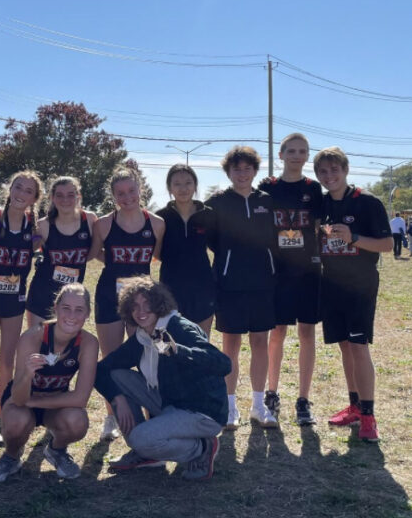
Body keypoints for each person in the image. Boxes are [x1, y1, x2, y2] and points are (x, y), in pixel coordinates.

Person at [94, 276, 230, 480]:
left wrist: (176, 350)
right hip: (171, 403)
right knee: (116, 375)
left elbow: (223, 364)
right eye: (135, 306)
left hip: (202, 410)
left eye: (147, 305)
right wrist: (118, 399)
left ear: (159, 305)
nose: (141, 312)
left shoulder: (179, 327)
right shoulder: (142, 336)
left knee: (140, 439)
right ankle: (147, 453)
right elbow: (102, 370)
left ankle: (202, 448)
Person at [0, 283, 99, 483]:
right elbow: (18, 397)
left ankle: (57, 450)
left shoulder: (88, 343)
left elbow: (80, 398)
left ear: (87, 313)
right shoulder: (33, 336)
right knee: (17, 421)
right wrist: (27, 374)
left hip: (51, 402)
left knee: (77, 421)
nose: (72, 315)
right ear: (56, 308)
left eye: (79, 310)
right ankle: (11, 456)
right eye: (66, 308)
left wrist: (34, 402)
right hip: (23, 398)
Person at [315, 146, 392, 442]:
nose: (329, 176)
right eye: (323, 171)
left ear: (346, 170)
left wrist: (354, 238)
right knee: (345, 346)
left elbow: (386, 245)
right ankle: (355, 406)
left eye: (334, 170)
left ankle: (370, 417)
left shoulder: (368, 203)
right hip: (331, 284)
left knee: (359, 346)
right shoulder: (321, 205)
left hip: (360, 284)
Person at [90, 166, 165, 441]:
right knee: (112, 360)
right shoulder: (104, 223)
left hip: (142, 301)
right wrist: (118, 264)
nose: (127, 197)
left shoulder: (156, 223)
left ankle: (150, 414)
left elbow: (156, 256)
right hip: (109, 295)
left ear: (140, 189)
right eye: (120, 193)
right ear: (113, 196)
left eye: (131, 190)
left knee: (146, 356)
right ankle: (112, 416)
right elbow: (95, 252)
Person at [206, 146, 278, 430]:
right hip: (229, 284)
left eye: (247, 168)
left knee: (261, 342)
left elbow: (275, 236)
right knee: (230, 346)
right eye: (237, 169)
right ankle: (230, 407)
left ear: (254, 171)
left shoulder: (267, 201)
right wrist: (229, 261)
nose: (242, 173)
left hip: (262, 283)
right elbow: (212, 240)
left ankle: (259, 406)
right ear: (229, 172)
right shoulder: (217, 202)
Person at [257, 133, 323, 426]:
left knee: (307, 334)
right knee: (278, 333)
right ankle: (272, 392)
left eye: (303, 151)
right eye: (292, 151)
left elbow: (320, 228)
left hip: (308, 271)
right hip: (278, 271)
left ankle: (303, 399)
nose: (297, 156)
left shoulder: (314, 189)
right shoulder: (267, 187)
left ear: (307, 156)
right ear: (281, 154)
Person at [0, 171, 44, 447]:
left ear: (34, 198)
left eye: (28, 191)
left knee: (7, 364)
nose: (21, 194)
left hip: (15, 301)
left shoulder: (35, 228)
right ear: (9, 188)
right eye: (18, 187)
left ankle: (1, 417)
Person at [25, 176, 97, 326]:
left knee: (65, 344)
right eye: (59, 195)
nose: (65, 200)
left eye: (71, 195)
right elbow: (28, 249)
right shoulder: (42, 225)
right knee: (38, 340)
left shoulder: (90, 220)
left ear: (79, 197)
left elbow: (94, 252)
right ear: (52, 198)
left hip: (72, 297)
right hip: (42, 293)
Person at [155, 164, 215, 337]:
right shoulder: (161, 217)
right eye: (177, 184)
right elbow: (157, 253)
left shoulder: (208, 215)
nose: (183, 188)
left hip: (203, 287)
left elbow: (217, 246)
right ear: (169, 188)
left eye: (188, 183)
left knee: (201, 342)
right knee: (171, 342)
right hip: (171, 287)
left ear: (195, 186)